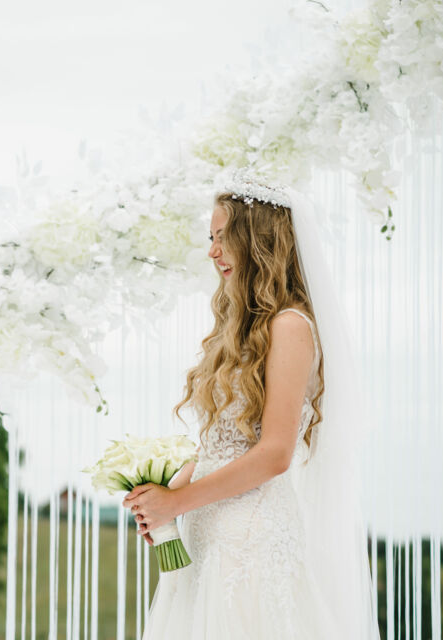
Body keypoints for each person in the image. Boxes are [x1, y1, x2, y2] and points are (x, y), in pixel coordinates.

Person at [124, 182, 378, 639]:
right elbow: (222, 445)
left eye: (223, 236)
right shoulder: (241, 332)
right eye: (211, 238)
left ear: (257, 239)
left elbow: (275, 453)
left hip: (251, 542)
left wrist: (179, 501)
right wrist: (162, 496)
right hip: (209, 535)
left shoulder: (291, 325)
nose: (213, 251)